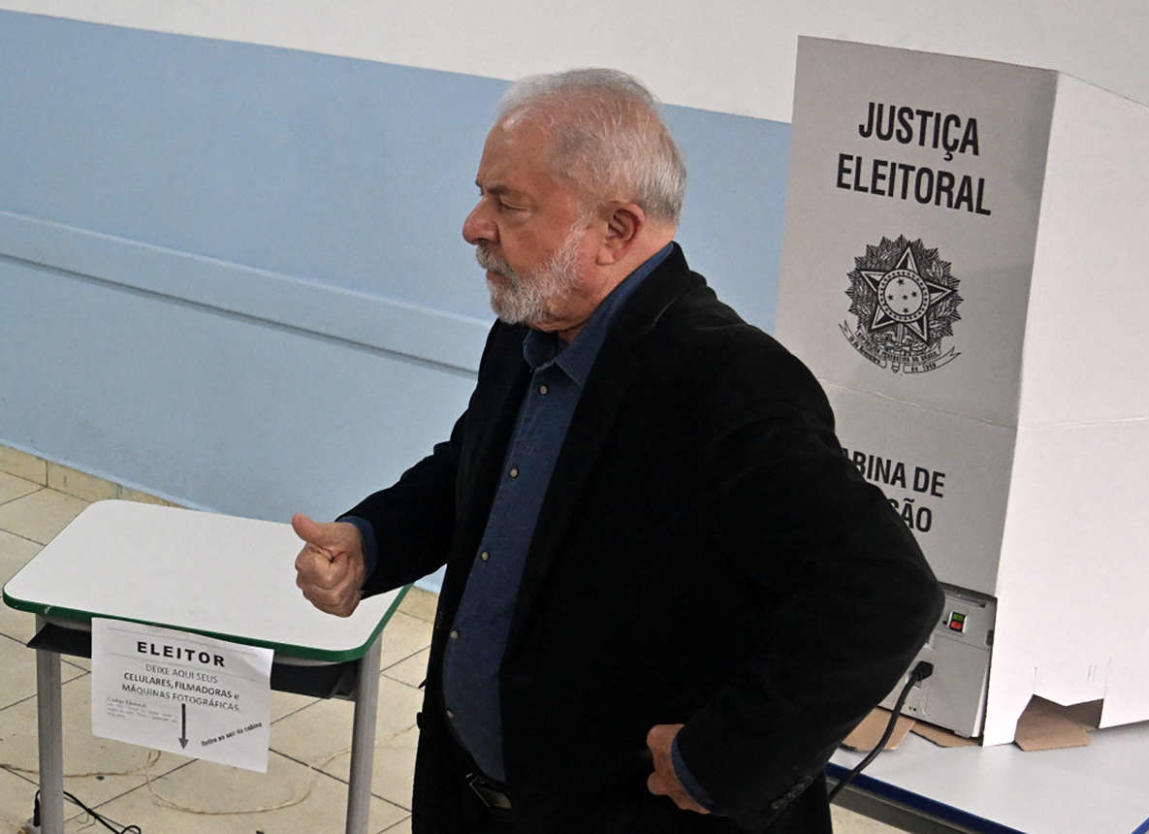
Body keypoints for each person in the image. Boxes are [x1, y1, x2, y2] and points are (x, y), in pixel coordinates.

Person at [292, 68, 943, 833]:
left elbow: (883, 592)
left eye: (508, 202)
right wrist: (374, 541)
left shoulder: (729, 381)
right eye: (482, 194)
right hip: (476, 797)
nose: (474, 224)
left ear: (615, 231)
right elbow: (474, 469)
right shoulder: (527, 331)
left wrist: (725, 758)